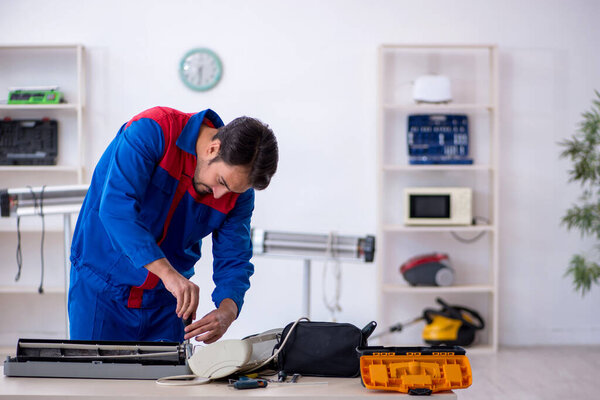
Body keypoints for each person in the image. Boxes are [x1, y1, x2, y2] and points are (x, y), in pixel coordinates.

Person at [68, 106, 278, 344]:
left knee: (169, 381)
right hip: (101, 290)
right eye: (221, 181)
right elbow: (116, 209)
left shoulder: (238, 193)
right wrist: (168, 274)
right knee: (92, 380)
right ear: (213, 148)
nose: (220, 195)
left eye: (232, 189)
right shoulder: (153, 131)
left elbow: (234, 256)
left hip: (168, 304)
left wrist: (228, 310)